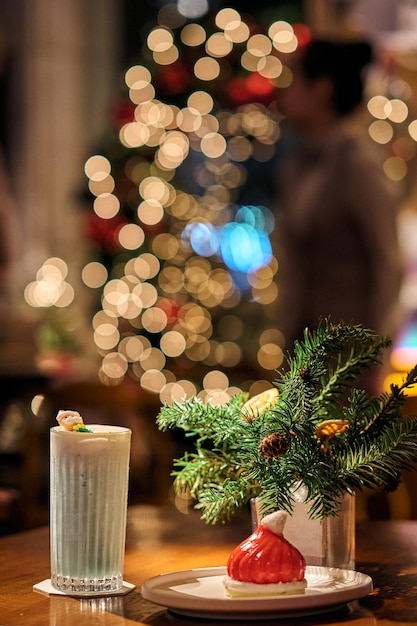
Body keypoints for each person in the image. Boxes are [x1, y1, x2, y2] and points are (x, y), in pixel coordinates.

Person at [274, 38, 403, 393]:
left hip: (350, 359)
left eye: (295, 80)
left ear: (322, 89)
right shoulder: (296, 166)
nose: (285, 92)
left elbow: (388, 266)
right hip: (302, 352)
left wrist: (378, 356)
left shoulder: (359, 167)